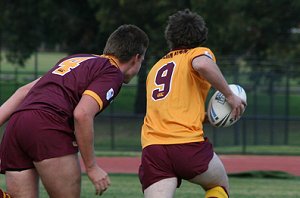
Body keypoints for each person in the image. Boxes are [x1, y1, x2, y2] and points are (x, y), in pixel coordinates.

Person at [0, 24, 149, 198]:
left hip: (16, 126)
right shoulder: (112, 72)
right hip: (47, 124)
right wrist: (92, 167)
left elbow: (23, 92)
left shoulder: (76, 59)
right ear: (136, 58)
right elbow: (82, 114)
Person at [139, 9, 246, 198]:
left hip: (153, 149)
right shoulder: (198, 53)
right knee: (218, 185)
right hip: (186, 145)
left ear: (170, 37)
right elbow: (203, 65)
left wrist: (207, 118)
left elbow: (169, 110)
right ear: (201, 35)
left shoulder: (155, 68)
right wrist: (229, 95)